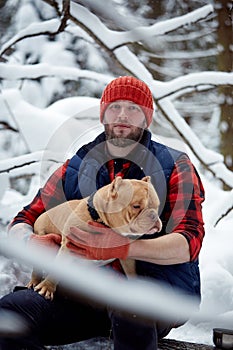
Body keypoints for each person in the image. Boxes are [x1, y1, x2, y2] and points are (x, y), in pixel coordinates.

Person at [0, 76, 205, 350]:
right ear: (102, 114)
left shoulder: (175, 166)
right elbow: (23, 219)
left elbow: (188, 242)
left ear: (147, 118)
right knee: (11, 311)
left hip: (154, 295)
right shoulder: (74, 168)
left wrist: (122, 247)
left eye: (133, 108)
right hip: (79, 297)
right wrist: (32, 242)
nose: (122, 114)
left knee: (130, 305)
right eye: (114, 107)